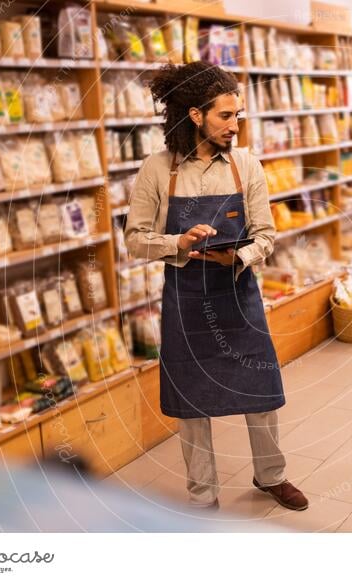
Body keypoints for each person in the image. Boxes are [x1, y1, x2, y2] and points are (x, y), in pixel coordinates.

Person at [124, 62, 308, 512]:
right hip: (186, 298)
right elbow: (133, 239)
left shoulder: (246, 166)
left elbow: (266, 234)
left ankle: (272, 475)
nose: (235, 126)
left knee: (261, 391)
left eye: (238, 116)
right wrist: (179, 243)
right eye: (226, 116)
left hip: (238, 293)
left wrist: (239, 255)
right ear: (195, 115)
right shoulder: (158, 169)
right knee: (192, 403)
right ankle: (202, 497)